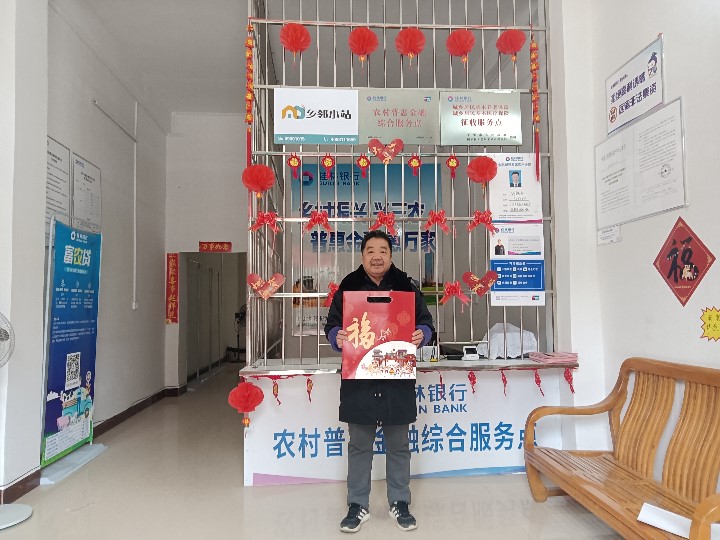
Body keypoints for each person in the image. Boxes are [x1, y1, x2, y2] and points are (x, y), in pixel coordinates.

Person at [324, 230, 434, 533]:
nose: (376, 256)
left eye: (382, 251)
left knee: (399, 445)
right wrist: (337, 337)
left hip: (396, 379)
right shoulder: (348, 287)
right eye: (370, 250)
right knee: (360, 445)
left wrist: (422, 334)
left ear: (390, 255)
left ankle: (400, 502)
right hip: (360, 379)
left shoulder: (406, 287)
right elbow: (331, 325)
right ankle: (357, 505)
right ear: (362, 256)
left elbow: (426, 322)